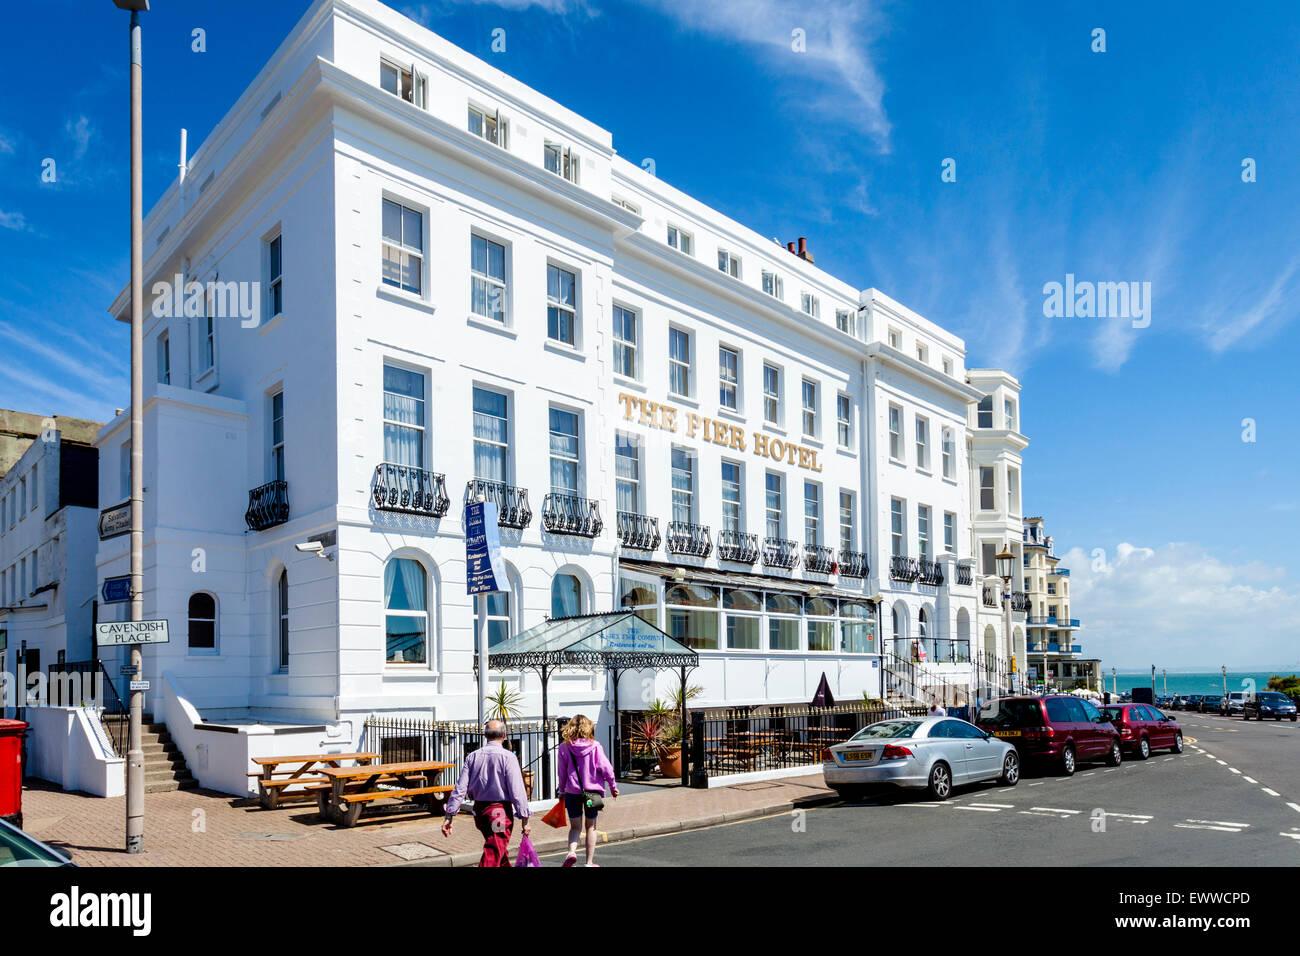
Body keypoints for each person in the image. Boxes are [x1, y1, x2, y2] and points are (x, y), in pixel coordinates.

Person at [441, 719, 532, 867]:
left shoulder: (473, 756)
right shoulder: (508, 757)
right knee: (494, 851)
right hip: (499, 812)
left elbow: (460, 788)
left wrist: (449, 815)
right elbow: (517, 790)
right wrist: (525, 818)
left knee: (498, 851)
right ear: (504, 735)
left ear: (485, 735)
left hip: (480, 811)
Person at [556, 714, 617, 867]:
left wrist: (562, 790)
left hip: (572, 792)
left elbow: (561, 772)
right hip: (593, 793)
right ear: (588, 727)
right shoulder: (595, 746)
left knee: (575, 827)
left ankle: (571, 852)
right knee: (591, 827)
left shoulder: (564, 747)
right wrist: (613, 787)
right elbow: (607, 769)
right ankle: (589, 863)